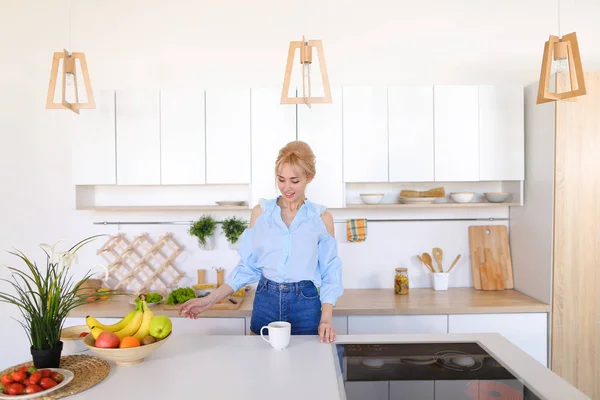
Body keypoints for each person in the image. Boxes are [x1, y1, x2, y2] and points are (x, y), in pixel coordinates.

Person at [179, 140, 344, 343]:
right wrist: (210, 299)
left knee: (304, 368)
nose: (286, 187)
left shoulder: (321, 218)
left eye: (294, 180)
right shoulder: (261, 214)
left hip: (306, 303)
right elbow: (248, 267)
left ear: (309, 177)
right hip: (266, 300)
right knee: (261, 366)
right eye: (281, 179)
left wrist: (326, 318)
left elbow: (330, 272)